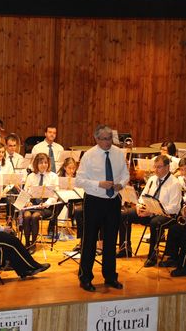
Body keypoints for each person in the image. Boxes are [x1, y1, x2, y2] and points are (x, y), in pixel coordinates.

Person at [76, 125, 129, 292]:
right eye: (104, 139)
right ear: (96, 139)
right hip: (94, 200)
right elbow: (79, 180)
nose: (108, 142)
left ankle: (110, 276)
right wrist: (99, 183)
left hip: (113, 200)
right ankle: (85, 277)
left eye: (109, 139)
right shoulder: (89, 156)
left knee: (111, 240)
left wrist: (121, 184)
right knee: (90, 240)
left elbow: (125, 174)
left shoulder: (118, 154)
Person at [118, 155, 182, 267]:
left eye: (159, 167)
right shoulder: (152, 179)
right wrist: (139, 206)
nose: (156, 170)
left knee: (155, 223)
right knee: (124, 215)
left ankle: (153, 256)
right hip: (149, 211)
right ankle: (125, 248)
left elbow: (174, 208)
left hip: (168, 215)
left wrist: (152, 211)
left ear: (167, 167)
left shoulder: (174, 183)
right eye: (155, 167)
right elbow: (143, 196)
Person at [22, 153, 60, 252]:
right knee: (26, 216)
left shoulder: (53, 176)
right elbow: (25, 192)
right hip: (32, 205)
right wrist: (27, 202)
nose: (43, 165)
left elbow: (55, 195)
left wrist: (46, 203)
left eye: (45, 162)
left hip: (46, 207)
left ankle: (33, 243)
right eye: (41, 163)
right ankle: (27, 243)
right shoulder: (31, 176)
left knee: (34, 217)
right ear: (36, 164)